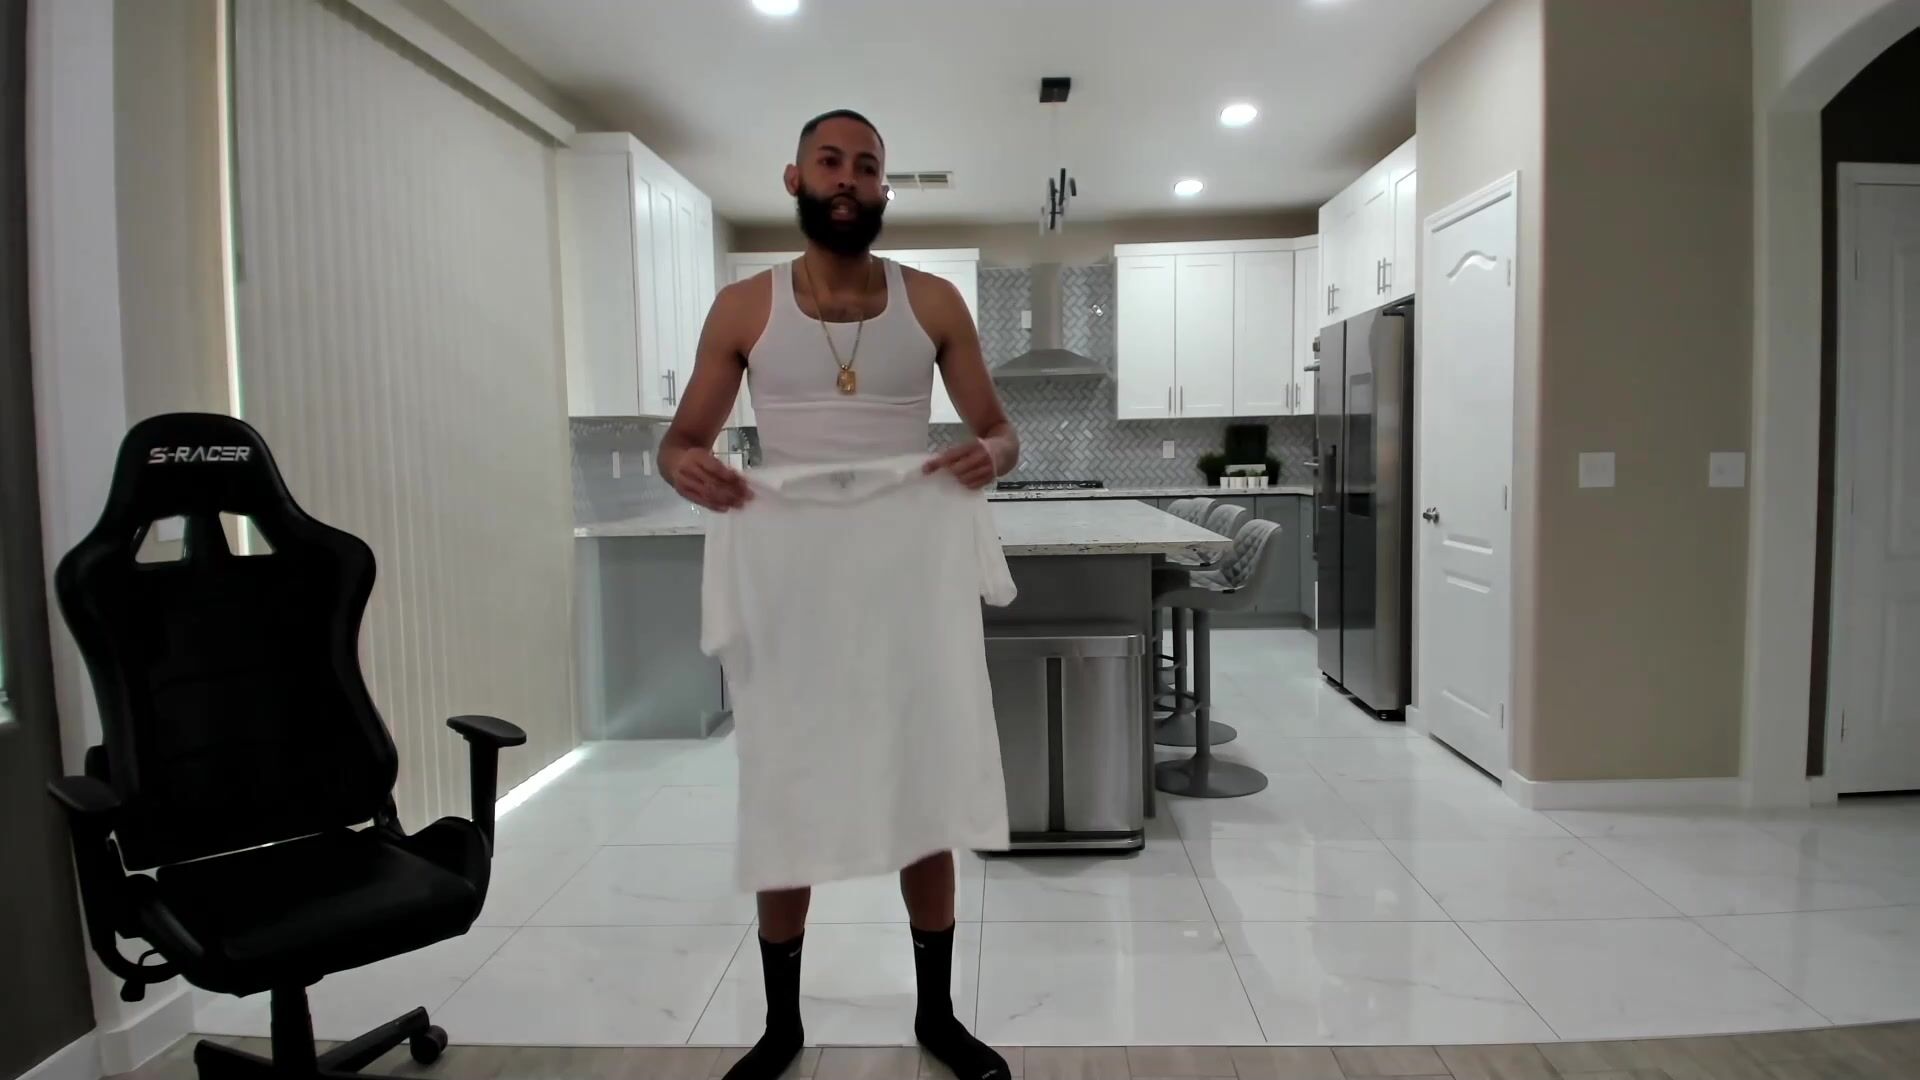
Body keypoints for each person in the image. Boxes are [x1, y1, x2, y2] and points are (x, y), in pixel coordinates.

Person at [658, 109, 1018, 1080]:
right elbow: (679, 442)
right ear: (797, 179)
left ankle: (937, 1015)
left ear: (883, 187)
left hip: (907, 589)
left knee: (923, 790)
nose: (849, 178)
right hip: (793, 596)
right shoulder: (745, 308)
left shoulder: (934, 302)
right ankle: (782, 1028)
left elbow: (1001, 431)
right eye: (831, 162)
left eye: (867, 165)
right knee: (789, 792)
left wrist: (989, 454)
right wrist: (686, 467)